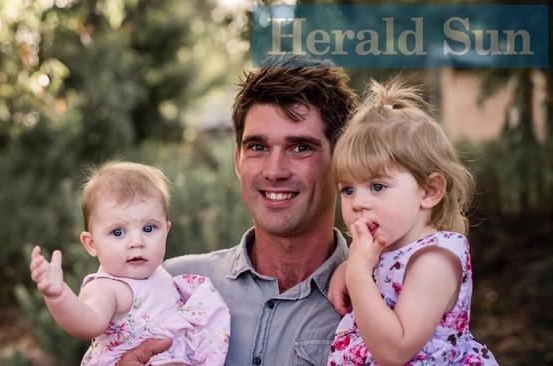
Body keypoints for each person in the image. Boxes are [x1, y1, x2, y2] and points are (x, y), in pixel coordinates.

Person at [116, 55, 358, 366]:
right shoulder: (169, 285)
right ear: (237, 161)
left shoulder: (385, 302)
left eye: (300, 147)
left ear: (342, 162)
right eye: (257, 147)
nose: (274, 171)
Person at [326, 79, 497, 365]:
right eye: (348, 189)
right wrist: (351, 266)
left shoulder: (433, 262)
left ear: (429, 191)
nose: (358, 202)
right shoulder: (383, 251)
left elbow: (395, 351)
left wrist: (357, 274)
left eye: (377, 186)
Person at [29, 161, 230, 366]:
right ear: (91, 244)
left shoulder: (159, 274)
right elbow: (88, 322)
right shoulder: (107, 288)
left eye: (149, 228)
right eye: (118, 232)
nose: (137, 242)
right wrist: (58, 296)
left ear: (166, 231)